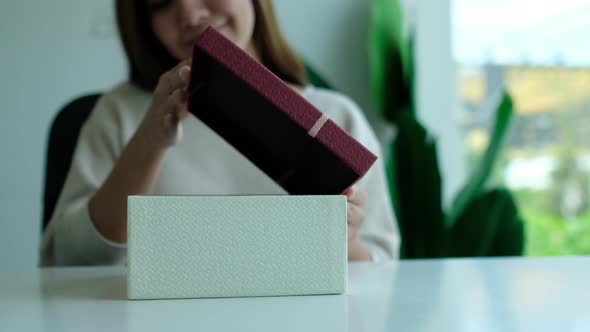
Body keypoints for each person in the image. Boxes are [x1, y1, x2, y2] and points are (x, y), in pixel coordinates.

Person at [41, 0, 399, 265]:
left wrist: (342, 241)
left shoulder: (335, 118)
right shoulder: (120, 113)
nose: (190, 15)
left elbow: (384, 270)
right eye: (160, 3)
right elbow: (70, 261)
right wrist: (149, 140)